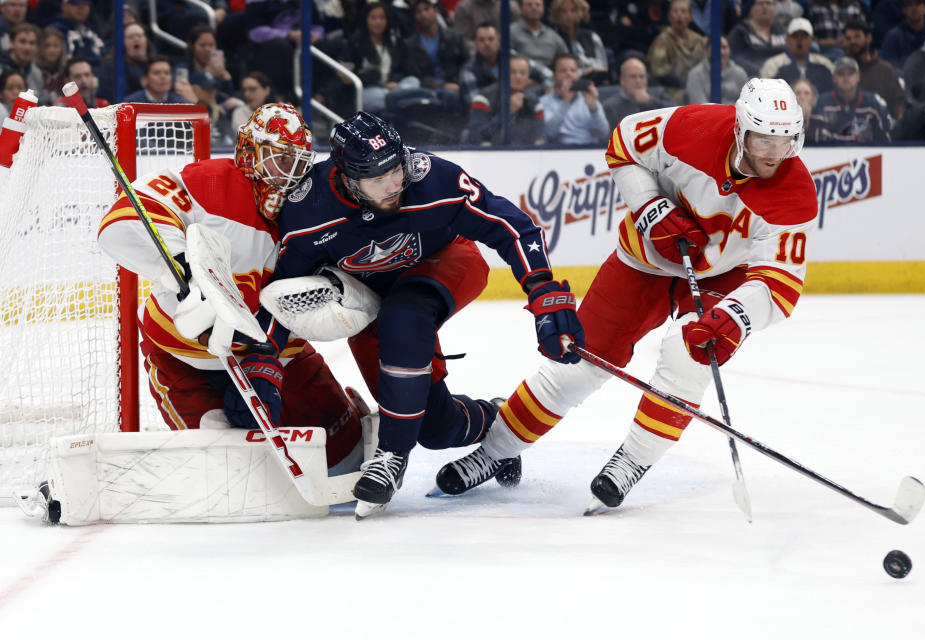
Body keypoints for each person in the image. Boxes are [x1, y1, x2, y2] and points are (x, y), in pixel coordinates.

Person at [433, 78, 818, 514]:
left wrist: (735, 316)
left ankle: (631, 462)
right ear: (739, 130)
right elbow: (623, 145)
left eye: (785, 141)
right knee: (579, 362)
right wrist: (652, 209)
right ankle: (494, 451)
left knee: (686, 354)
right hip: (645, 258)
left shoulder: (795, 194)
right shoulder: (689, 128)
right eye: (764, 139)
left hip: (724, 276)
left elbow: (781, 282)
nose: (773, 153)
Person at [254, 111, 584, 518]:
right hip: (369, 300)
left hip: (447, 261)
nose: (395, 184)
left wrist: (544, 290)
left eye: (396, 169)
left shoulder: (431, 178)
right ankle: (497, 419)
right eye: (379, 179)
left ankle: (391, 457)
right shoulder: (308, 212)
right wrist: (261, 359)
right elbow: (281, 292)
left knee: (405, 315)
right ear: (347, 179)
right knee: (433, 427)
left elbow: (513, 227)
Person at [96, 103, 365, 475]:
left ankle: (347, 410)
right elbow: (122, 221)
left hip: (280, 353)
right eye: (277, 160)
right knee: (226, 471)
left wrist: (267, 360)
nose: (288, 177)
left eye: (297, 164)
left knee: (346, 456)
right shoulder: (209, 182)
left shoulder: (314, 208)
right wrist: (183, 264)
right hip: (184, 354)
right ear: (248, 152)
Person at [809, 56, 893, 142]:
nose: (846, 78)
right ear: (834, 78)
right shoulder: (821, 102)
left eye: (850, 73)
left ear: (858, 77)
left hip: (867, 154)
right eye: (841, 74)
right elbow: (816, 138)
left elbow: (885, 136)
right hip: (830, 154)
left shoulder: (873, 102)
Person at [466, 54, 546, 144]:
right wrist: (507, 112)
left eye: (523, 73)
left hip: (523, 154)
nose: (518, 77)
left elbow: (540, 136)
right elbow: (475, 135)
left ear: (528, 78)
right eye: (513, 72)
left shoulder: (534, 102)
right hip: (491, 154)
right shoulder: (483, 98)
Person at [842, 19, 907, 120]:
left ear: (869, 38)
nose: (853, 41)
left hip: (881, 125)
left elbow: (898, 102)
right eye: (848, 38)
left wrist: (899, 122)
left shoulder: (885, 69)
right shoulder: (841, 70)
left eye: (857, 36)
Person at [539, 52, 609, 144]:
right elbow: (549, 134)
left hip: (588, 150)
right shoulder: (544, 102)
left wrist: (593, 109)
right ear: (554, 76)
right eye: (563, 71)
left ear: (578, 74)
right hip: (558, 152)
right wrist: (565, 102)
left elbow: (603, 134)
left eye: (573, 70)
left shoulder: (588, 98)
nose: (569, 74)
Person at [647, 0, 707, 104]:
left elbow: (705, 65)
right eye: (675, 11)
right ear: (669, 16)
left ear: (690, 16)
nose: (679, 15)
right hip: (671, 90)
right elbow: (658, 71)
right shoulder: (663, 40)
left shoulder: (697, 40)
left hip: (698, 86)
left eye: (683, 11)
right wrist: (683, 83)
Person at [760, 17, 834, 94]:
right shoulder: (773, 64)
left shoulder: (824, 63)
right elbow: (766, 93)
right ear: (787, 39)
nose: (800, 40)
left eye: (804, 36)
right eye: (795, 35)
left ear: (812, 39)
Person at [548, 0, 610, 85]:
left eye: (573, 10)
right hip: (571, 80)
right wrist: (582, 72)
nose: (569, 15)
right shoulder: (553, 39)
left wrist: (593, 70)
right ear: (556, 15)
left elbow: (603, 63)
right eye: (564, 11)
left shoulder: (592, 36)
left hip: (597, 76)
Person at [604, 56, 675, 126]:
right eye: (633, 76)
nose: (638, 81)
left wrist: (650, 101)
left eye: (641, 76)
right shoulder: (611, 106)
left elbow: (675, 115)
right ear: (622, 80)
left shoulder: (660, 94)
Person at [686, 35, 749, 104]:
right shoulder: (695, 75)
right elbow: (699, 105)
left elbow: (747, 103)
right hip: (708, 114)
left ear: (729, 50)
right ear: (707, 50)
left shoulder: (740, 73)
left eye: (724, 47)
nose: (721, 52)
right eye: (716, 47)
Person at [510, 0, 569, 71]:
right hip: (520, 76)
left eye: (538, 5)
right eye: (529, 5)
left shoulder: (553, 36)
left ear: (543, 9)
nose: (534, 8)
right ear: (521, 9)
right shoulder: (511, 32)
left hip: (549, 78)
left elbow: (566, 58)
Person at [46, 0, 105, 68]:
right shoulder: (54, 32)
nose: (81, 6)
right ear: (64, 6)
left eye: (86, 2)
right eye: (75, 2)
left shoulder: (93, 31)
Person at [879, 0, 925, 72]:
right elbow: (890, 67)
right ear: (904, 9)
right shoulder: (893, 36)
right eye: (909, 4)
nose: (914, 8)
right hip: (903, 80)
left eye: (918, 4)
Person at [122, 55, 193, 104]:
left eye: (167, 73)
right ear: (144, 80)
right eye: (156, 73)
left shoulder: (180, 103)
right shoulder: (131, 103)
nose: (163, 77)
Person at [0, 23, 42, 100]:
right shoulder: (1, 69)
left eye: (32, 43)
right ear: (11, 42)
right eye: (22, 42)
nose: (27, 47)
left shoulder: (37, 73)